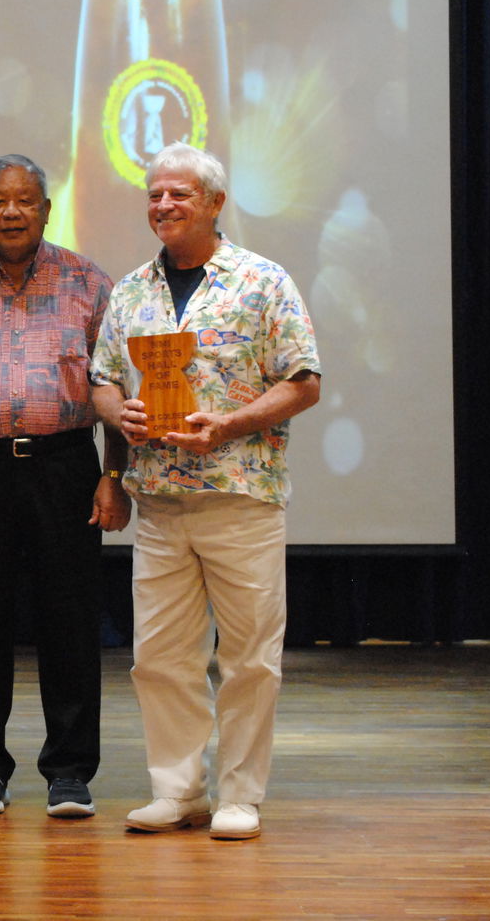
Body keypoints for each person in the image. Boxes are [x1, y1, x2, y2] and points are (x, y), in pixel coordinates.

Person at [91, 143, 320, 841]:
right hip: (158, 500)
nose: (163, 205)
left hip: (239, 495)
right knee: (159, 656)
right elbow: (102, 377)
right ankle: (178, 790)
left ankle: (240, 795)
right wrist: (114, 411)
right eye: (155, 194)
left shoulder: (262, 280)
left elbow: (304, 380)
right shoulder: (131, 290)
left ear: (216, 202)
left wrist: (230, 423)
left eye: (179, 195)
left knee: (248, 655)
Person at [0, 154, 129, 821]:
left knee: (69, 619)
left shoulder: (88, 281)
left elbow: (116, 386)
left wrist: (113, 471)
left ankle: (69, 771)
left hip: (65, 463)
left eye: (26, 200)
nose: (12, 211)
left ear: (44, 207)